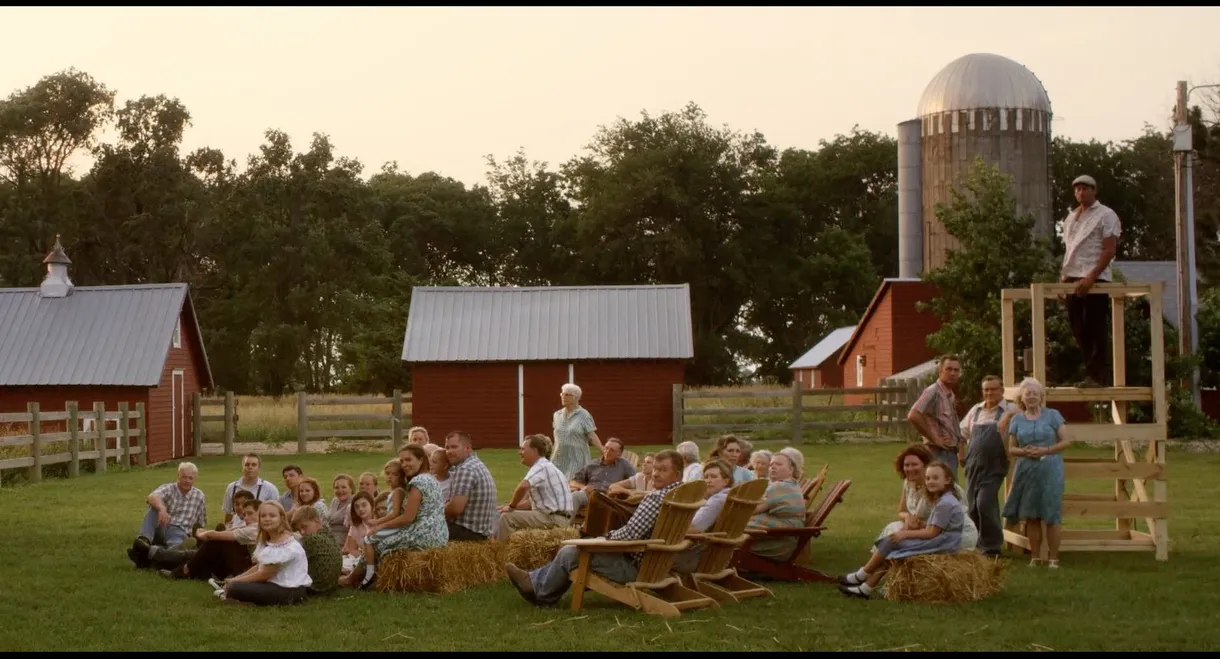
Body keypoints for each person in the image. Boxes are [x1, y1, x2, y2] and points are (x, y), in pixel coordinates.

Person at [502, 449, 686, 608]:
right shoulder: (680, 496)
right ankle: (534, 580)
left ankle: (540, 593)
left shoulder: (655, 499)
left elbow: (630, 535)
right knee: (574, 549)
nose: (655, 474)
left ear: (676, 475)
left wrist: (604, 538)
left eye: (662, 470)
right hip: (657, 565)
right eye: (654, 469)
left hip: (635, 567)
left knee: (571, 552)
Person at [838, 462, 965, 599]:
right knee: (893, 547)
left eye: (935, 478)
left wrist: (904, 534)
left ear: (947, 480)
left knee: (893, 542)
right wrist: (918, 526)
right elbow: (934, 528)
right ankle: (865, 588)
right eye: (928, 478)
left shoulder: (945, 503)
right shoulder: (942, 499)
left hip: (943, 544)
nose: (930, 482)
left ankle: (862, 575)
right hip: (942, 540)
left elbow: (932, 533)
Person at [346, 447, 449, 589]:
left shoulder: (418, 482)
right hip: (440, 534)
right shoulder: (431, 479)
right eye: (402, 461)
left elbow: (408, 518)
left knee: (376, 543)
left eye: (408, 459)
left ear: (421, 459)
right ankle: (359, 576)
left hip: (423, 534)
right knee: (376, 540)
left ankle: (362, 577)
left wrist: (380, 526)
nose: (404, 464)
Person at [1058, 174, 1121, 388]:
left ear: (1094, 190)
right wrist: (1063, 278)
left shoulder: (1106, 215)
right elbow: (1070, 250)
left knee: (1095, 325)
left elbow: (1109, 249)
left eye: (1085, 188)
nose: (1081, 192)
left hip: (1097, 277)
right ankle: (1091, 373)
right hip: (1073, 276)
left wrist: (1091, 277)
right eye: (1077, 189)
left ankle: (1099, 376)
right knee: (1078, 327)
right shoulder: (1071, 218)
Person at [1001, 377, 1070, 568]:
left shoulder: (1053, 415)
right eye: (1027, 393)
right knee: (1031, 515)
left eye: (1034, 393)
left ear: (1041, 396)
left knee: (1051, 514)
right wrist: (1025, 451)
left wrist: (1045, 450)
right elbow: (1012, 449)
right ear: (1021, 398)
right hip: (1026, 470)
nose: (1031, 397)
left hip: (1050, 469)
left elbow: (1066, 441)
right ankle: (1036, 557)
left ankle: (1054, 558)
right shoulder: (1016, 420)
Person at [960, 375, 1016, 556]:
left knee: (985, 502)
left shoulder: (1010, 408)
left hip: (995, 465)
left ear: (1002, 391)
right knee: (972, 506)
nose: (989, 393)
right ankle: (976, 545)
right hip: (973, 464)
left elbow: (1028, 412)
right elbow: (961, 434)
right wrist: (961, 454)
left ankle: (992, 547)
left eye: (993, 389)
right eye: (986, 389)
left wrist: (1010, 414)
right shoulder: (976, 410)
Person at [220, 501, 312, 606]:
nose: (267, 519)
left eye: (272, 516)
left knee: (235, 588)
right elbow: (260, 566)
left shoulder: (284, 542)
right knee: (236, 586)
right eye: (263, 516)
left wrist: (236, 582)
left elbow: (265, 574)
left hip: (290, 590)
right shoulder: (269, 540)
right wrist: (236, 578)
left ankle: (243, 600)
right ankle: (242, 599)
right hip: (274, 585)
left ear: (281, 518)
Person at [128, 462, 207, 569]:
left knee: (175, 549)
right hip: (162, 526)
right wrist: (162, 508)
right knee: (153, 508)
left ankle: (145, 554)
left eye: (190, 478)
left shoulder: (199, 496)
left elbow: (200, 522)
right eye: (184, 477)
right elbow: (151, 497)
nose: (187, 481)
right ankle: (145, 539)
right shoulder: (169, 488)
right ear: (178, 476)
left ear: (195, 479)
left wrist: (199, 538)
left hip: (180, 532)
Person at [498, 434, 574, 540]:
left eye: (523, 449)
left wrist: (511, 507)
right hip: (558, 517)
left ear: (534, 451)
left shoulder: (540, 466)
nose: (520, 453)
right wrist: (506, 507)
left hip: (554, 519)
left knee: (506, 518)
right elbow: (530, 504)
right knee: (506, 514)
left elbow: (523, 487)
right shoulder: (546, 466)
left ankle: (503, 553)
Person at [907, 355, 964, 477]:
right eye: (949, 369)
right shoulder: (933, 391)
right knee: (942, 489)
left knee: (949, 489)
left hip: (950, 451)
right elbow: (913, 414)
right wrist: (934, 438)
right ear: (940, 371)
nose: (953, 373)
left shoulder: (949, 394)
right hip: (938, 452)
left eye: (956, 370)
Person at [442, 431, 499, 541]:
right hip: (480, 531)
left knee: (420, 528)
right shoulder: (475, 463)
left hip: (469, 533)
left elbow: (455, 509)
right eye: (447, 448)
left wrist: (434, 511)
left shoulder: (465, 469)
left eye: (454, 447)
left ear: (467, 448)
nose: (449, 451)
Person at [551, 383, 605, 480]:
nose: (563, 397)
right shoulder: (557, 415)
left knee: (572, 485)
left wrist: (603, 451)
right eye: (562, 394)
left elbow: (591, 435)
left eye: (567, 395)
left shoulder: (584, 415)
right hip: (558, 458)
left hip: (576, 459)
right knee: (556, 484)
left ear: (576, 398)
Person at [288, 505, 343, 597]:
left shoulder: (311, 539)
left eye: (304, 527)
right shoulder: (329, 533)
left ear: (316, 520)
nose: (302, 532)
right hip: (331, 587)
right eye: (299, 530)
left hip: (316, 588)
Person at [568, 438, 636, 512]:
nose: (607, 451)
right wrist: (583, 487)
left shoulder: (625, 465)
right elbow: (573, 482)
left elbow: (634, 482)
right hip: (590, 495)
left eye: (612, 450)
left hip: (611, 499)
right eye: (606, 448)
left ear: (619, 454)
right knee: (576, 495)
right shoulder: (592, 464)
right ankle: (564, 521)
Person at [221, 454, 280, 527]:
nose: (250, 467)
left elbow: (276, 514)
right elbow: (228, 513)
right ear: (242, 467)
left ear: (259, 468)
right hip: (235, 530)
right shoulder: (231, 487)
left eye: (254, 465)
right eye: (247, 464)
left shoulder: (270, 489)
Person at [326, 474, 355, 545]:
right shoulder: (334, 501)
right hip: (330, 538)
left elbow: (353, 529)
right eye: (336, 488)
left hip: (343, 542)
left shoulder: (354, 503)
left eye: (343, 487)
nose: (340, 490)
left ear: (351, 488)